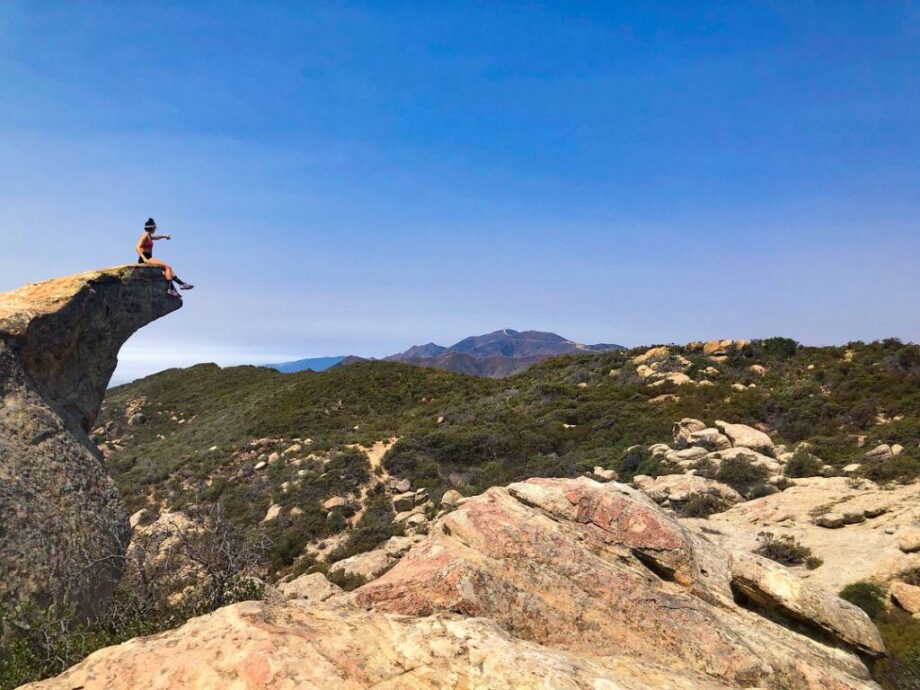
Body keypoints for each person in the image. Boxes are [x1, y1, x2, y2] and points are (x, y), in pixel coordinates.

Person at [136, 218, 194, 297]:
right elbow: (137, 247)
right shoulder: (145, 235)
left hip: (148, 257)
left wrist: (164, 236)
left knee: (168, 268)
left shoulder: (149, 236)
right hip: (145, 259)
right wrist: (144, 258)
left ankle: (181, 284)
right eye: (155, 228)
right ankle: (172, 288)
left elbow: (156, 237)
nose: (155, 230)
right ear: (152, 228)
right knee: (167, 267)